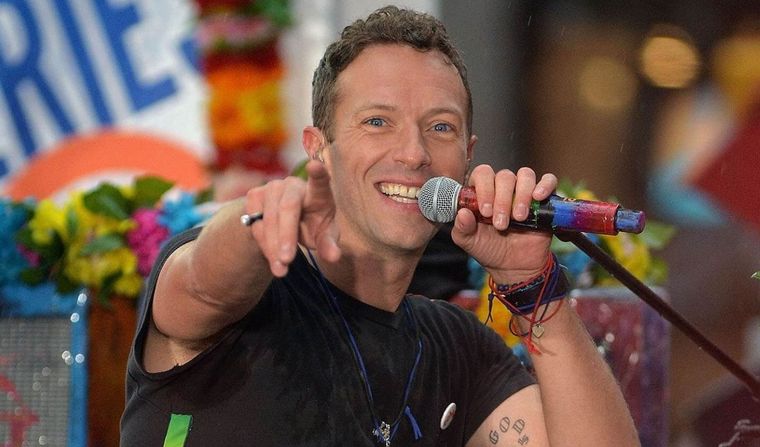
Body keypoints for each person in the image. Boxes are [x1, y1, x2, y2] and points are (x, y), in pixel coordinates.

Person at [120, 6, 639, 446]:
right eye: (377, 122)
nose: (413, 153)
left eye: (440, 127)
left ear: (466, 158)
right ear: (318, 148)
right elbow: (205, 282)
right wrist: (255, 224)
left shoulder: (458, 350)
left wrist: (533, 287)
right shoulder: (244, 285)